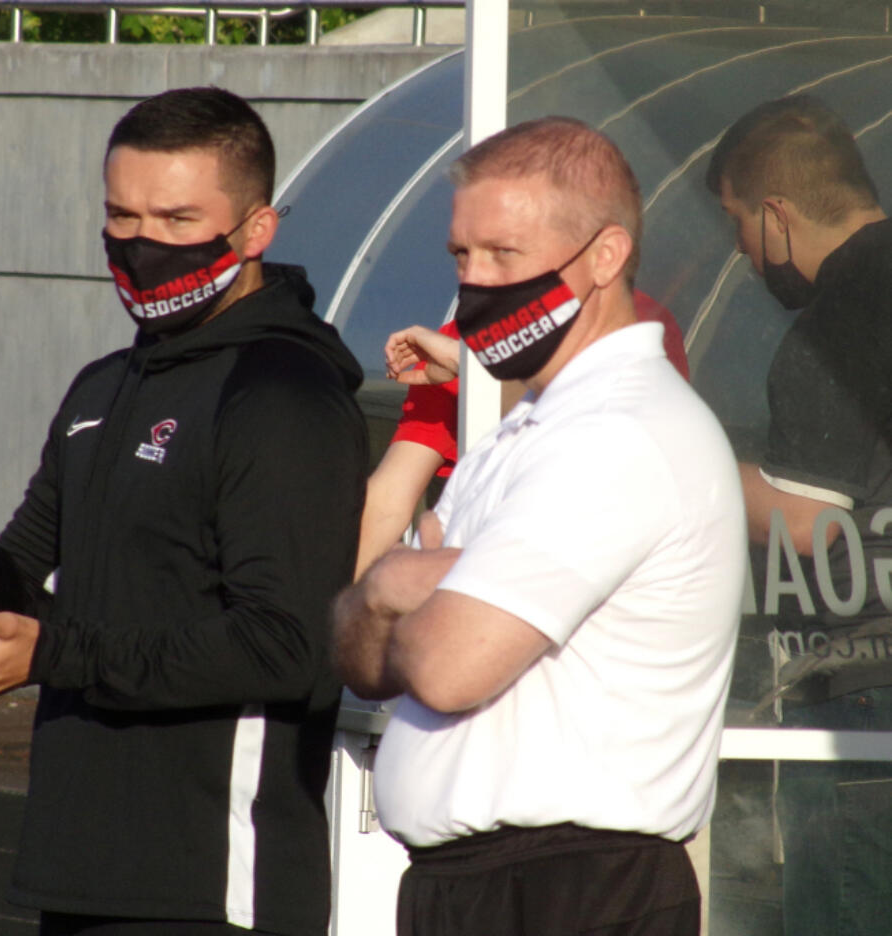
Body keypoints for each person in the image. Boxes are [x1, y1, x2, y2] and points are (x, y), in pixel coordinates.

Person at [0, 87, 368, 936]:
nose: (143, 244)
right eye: (122, 216)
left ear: (256, 231)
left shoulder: (281, 391)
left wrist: (56, 652)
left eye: (177, 220)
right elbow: (19, 604)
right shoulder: (106, 386)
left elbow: (284, 648)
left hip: (212, 887)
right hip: (81, 868)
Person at [334, 116, 746, 936]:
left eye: (504, 256)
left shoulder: (620, 433)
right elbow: (356, 659)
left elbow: (448, 668)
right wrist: (390, 587)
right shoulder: (525, 432)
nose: (475, 284)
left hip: (572, 892)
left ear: (605, 256)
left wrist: (411, 594)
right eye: (462, 256)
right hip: (480, 890)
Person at [706, 93, 892, 936]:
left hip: (863, 705)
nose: (743, 253)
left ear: (777, 216)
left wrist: (683, 459)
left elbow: (810, 522)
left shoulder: (842, 315)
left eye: (739, 225)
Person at [355, 295, 690, 577]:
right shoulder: (456, 339)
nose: (475, 272)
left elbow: (606, 470)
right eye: (463, 254)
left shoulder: (631, 322)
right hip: (487, 585)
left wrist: (469, 365)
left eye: (501, 249)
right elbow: (387, 500)